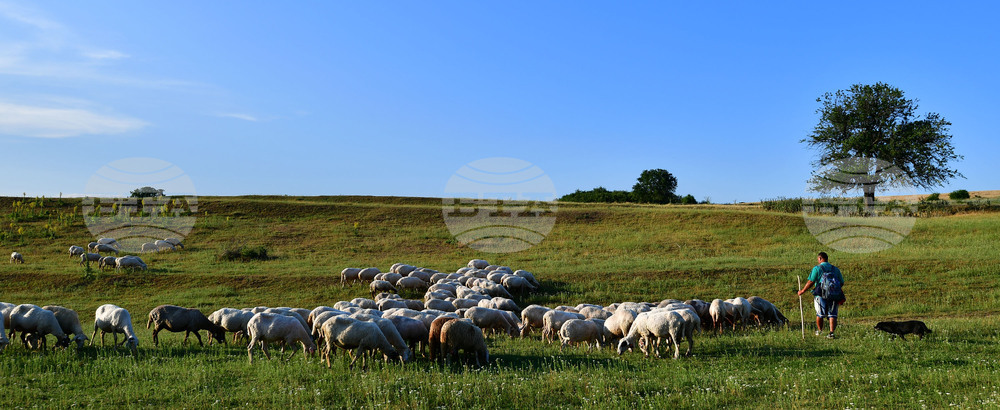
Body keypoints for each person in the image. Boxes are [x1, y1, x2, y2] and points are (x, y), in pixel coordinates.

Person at [797, 252, 844, 339]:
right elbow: (841, 282)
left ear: (820, 258)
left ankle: (820, 331)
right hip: (834, 295)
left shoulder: (817, 268)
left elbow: (811, 281)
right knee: (832, 314)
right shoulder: (835, 269)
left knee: (820, 314)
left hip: (820, 295)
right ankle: (831, 333)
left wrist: (802, 291)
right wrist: (833, 290)